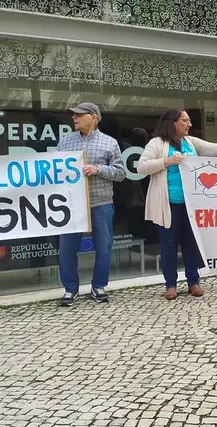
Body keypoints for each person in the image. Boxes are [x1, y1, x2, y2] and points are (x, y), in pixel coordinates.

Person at [137, 107, 217, 300]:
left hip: (191, 204)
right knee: (168, 245)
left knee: (191, 244)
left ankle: (193, 281)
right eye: (185, 121)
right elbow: (141, 167)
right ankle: (170, 285)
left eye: (189, 121)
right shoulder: (156, 143)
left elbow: (212, 148)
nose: (189, 124)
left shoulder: (190, 142)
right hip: (168, 204)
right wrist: (167, 161)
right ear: (172, 123)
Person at [56, 102, 126, 306]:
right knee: (66, 249)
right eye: (74, 115)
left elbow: (121, 173)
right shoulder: (65, 142)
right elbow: (55, 170)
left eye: (79, 115)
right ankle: (70, 289)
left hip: (101, 202)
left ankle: (99, 286)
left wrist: (98, 169)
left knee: (104, 247)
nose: (74, 118)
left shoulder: (110, 143)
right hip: (71, 204)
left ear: (93, 118)